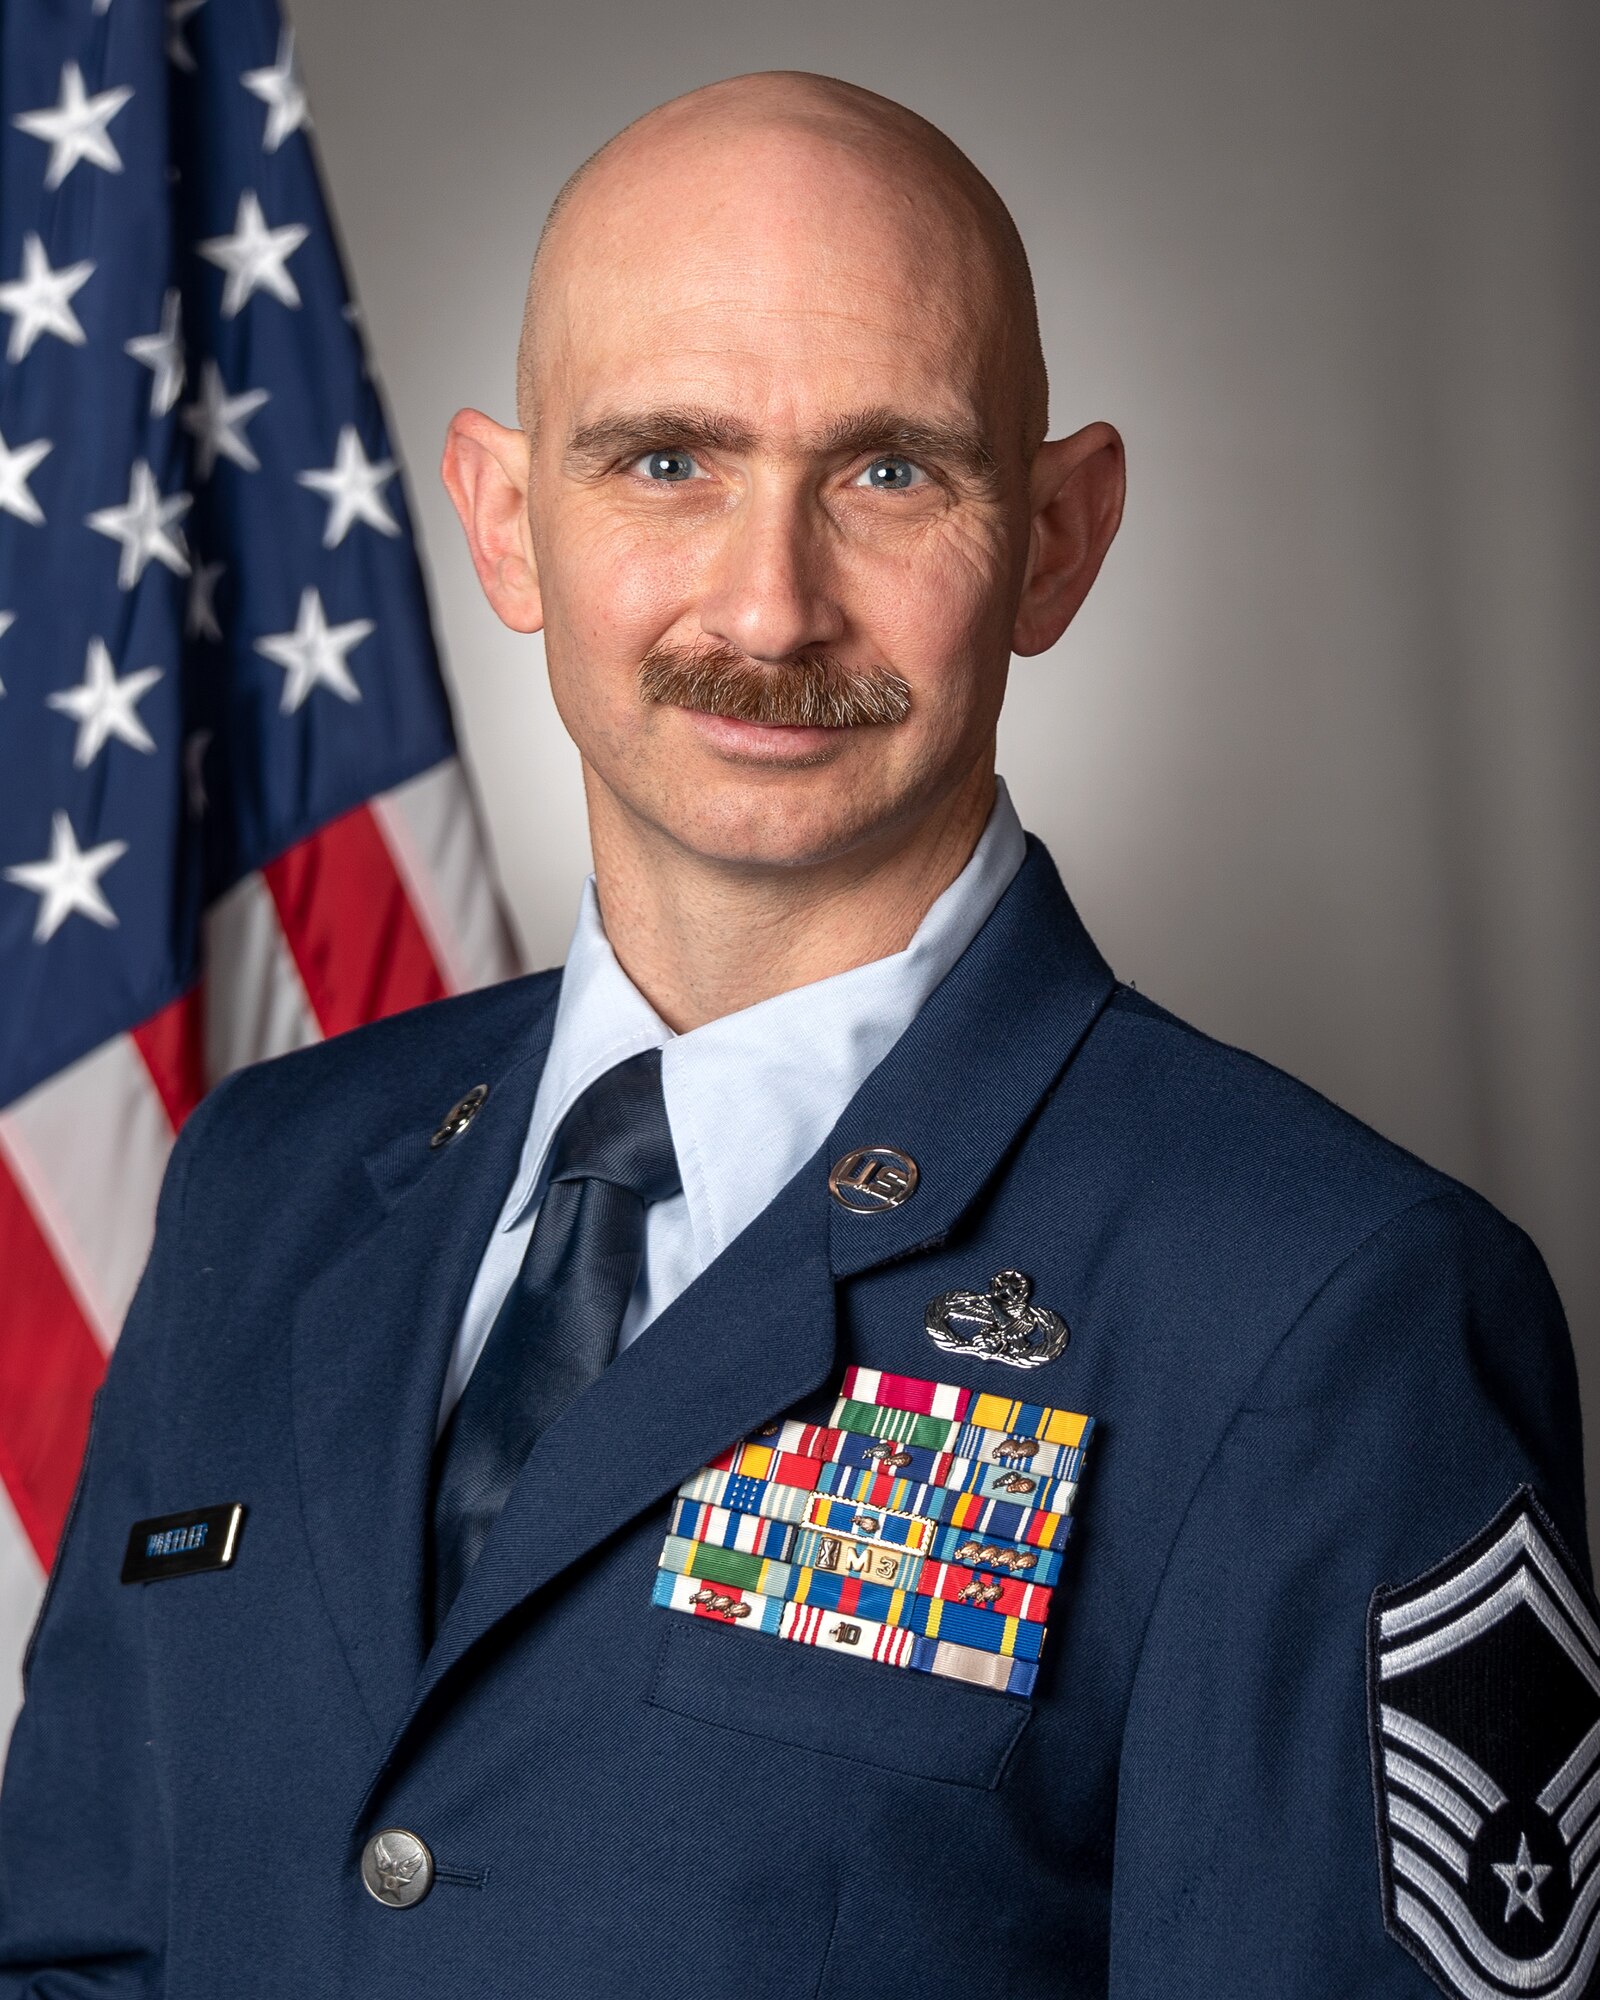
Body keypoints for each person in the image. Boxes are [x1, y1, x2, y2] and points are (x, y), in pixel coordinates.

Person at [0, 70, 1590, 2000]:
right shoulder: (263, 1181)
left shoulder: (1326, 1308)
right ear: (504, 523)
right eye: (666, 461)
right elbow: (74, 1952)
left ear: (1062, 536)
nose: (768, 600)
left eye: (891, 470)